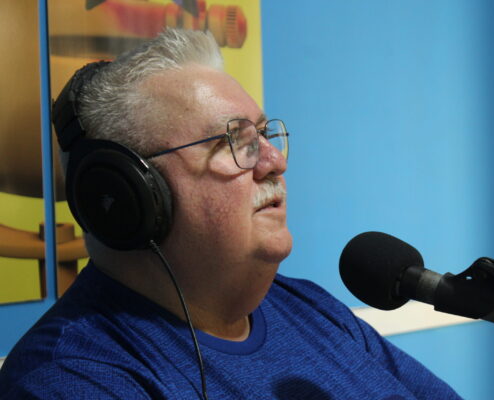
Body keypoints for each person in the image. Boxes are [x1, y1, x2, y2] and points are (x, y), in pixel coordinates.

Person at [0, 29, 461, 399]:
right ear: (129, 197)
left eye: (263, 134)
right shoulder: (69, 380)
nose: (274, 161)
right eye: (232, 141)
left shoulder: (307, 306)